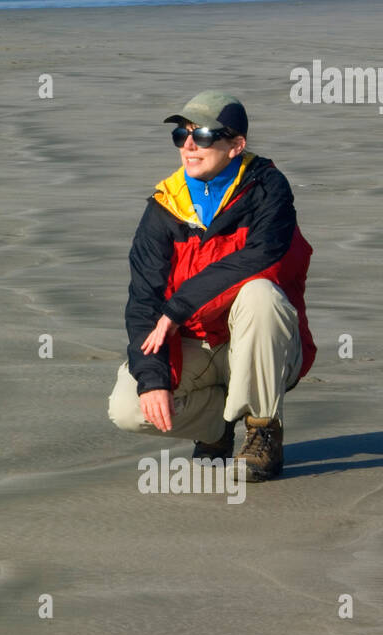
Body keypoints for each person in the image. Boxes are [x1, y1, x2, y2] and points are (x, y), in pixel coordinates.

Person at [107, 91, 316, 481]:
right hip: (195, 347)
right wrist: (152, 379)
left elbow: (260, 260)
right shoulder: (164, 206)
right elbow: (143, 301)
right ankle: (216, 429)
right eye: (181, 135)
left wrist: (177, 308)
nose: (189, 145)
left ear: (236, 145)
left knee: (259, 294)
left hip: (262, 346)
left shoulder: (269, 190)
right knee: (128, 410)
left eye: (202, 135)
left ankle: (262, 431)